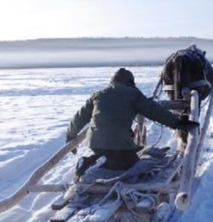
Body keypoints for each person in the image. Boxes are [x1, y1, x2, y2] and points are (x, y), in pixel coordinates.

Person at [66, 68, 199, 173]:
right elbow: (154, 111)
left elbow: (79, 117)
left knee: (115, 154)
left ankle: (95, 159)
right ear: (130, 82)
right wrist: (178, 123)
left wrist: (70, 134)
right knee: (130, 162)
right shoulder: (133, 95)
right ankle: (89, 162)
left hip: (95, 144)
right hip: (119, 144)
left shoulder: (98, 95)